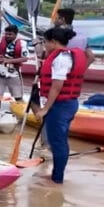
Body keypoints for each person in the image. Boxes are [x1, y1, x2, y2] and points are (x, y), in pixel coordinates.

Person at [31, 26, 86, 184]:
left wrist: (45, 109)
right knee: (59, 141)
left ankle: (57, 179)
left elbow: (57, 86)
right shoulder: (66, 56)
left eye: (46, 42)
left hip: (60, 105)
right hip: (68, 103)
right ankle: (57, 174)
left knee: (58, 142)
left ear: (54, 42)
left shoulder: (61, 59)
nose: (45, 45)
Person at [0, 24, 29, 108]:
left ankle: (22, 112)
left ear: (15, 34)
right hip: (0, 72)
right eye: (6, 34)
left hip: (14, 73)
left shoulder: (22, 43)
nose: (7, 36)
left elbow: (25, 58)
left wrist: (8, 60)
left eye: (10, 34)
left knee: (18, 97)